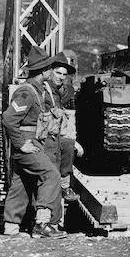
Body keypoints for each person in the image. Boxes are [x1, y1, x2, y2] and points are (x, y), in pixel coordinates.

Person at [2, 46, 63, 238]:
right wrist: (21, 144)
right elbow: (8, 118)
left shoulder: (39, 90)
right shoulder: (27, 93)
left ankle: (11, 228)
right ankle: (42, 223)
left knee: (22, 182)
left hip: (33, 141)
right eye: (49, 68)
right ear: (44, 71)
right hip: (28, 143)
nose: (51, 71)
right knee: (51, 174)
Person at [43, 52, 84, 228]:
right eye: (58, 73)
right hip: (44, 138)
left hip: (55, 136)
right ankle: (47, 221)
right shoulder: (45, 91)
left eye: (64, 74)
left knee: (67, 145)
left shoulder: (63, 92)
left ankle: (65, 187)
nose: (61, 77)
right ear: (50, 71)